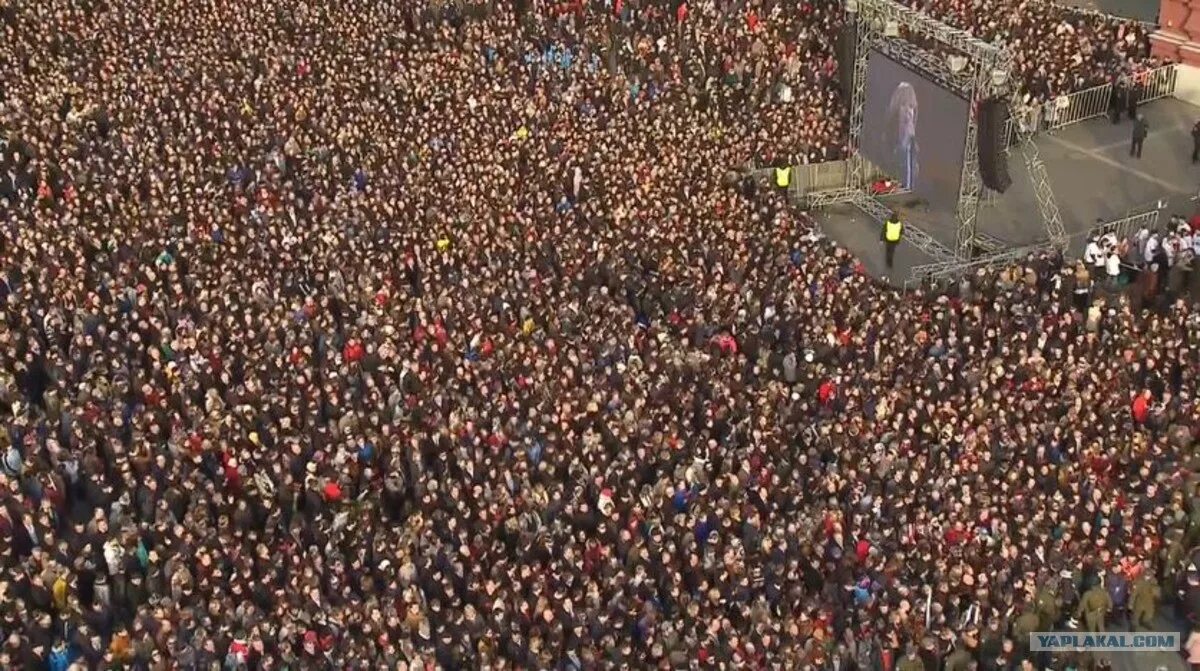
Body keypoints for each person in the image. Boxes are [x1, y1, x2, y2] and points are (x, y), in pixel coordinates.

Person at [885, 82, 919, 190]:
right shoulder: (885, 141)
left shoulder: (914, 147)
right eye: (903, 105)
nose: (908, 111)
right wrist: (903, 142)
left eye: (911, 106)